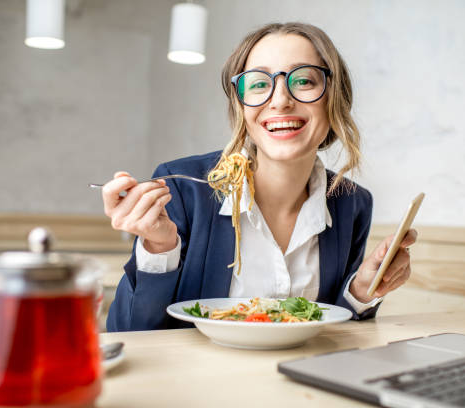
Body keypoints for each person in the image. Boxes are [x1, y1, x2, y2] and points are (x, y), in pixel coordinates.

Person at [104, 22, 417, 331]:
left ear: (334, 97)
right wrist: (159, 249)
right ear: (241, 105)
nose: (280, 100)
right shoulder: (181, 187)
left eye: (304, 80)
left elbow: (332, 326)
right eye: (257, 84)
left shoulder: (351, 203)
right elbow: (130, 331)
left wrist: (362, 290)